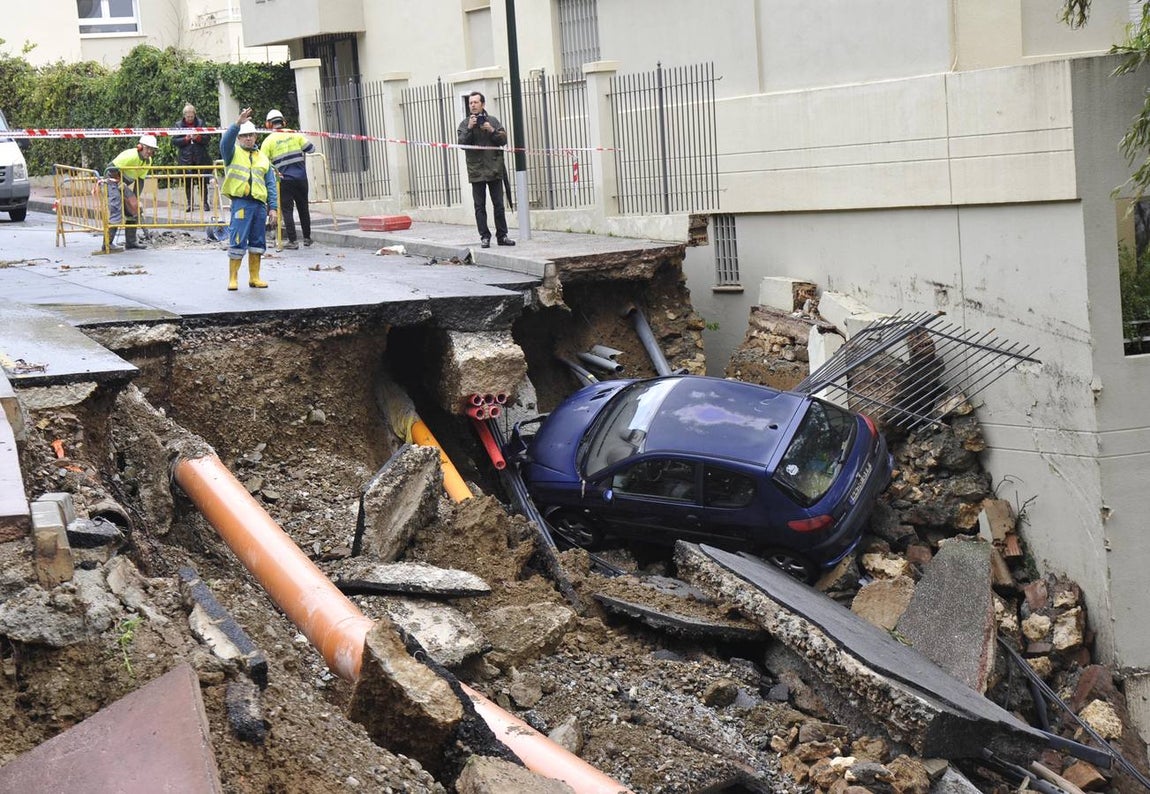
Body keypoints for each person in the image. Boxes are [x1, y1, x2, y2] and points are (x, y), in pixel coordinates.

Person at [221, 107, 278, 291]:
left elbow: (270, 184)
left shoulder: (263, 158)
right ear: (239, 138)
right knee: (237, 239)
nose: (248, 138)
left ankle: (255, 277)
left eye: (251, 135)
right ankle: (233, 278)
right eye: (244, 135)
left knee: (258, 241)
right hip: (241, 203)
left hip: (259, 206)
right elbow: (225, 142)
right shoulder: (232, 153)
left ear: (255, 137)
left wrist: (273, 208)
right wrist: (237, 124)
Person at [457, 91, 514, 248]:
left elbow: (503, 140)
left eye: (476, 102)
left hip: (494, 169)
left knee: (499, 205)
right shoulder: (464, 124)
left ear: (483, 104)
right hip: (476, 171)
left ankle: (502, 236)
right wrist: (469, 128)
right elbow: (461, 144)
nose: (473, 105)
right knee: (479, 206)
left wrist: (491, 130)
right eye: (470, 103)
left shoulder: (493, 121)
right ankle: (484, 236)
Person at [260, 109, 316, 250]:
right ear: (283, 122)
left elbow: (261, 163)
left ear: (268, 124)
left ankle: (293, 241)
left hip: (284, 180)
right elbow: (311, 149)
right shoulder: (294, 134)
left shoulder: (268, 141)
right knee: (304, 208)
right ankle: (307, 238)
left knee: (287, 210)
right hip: (301, 178)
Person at [109, 134, 157, 250]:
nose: (149, 152)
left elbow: (140, 180)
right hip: (112, 180)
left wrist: (135, 199)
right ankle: (107, 243)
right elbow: (111, 168)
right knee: (116, 210)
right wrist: (119, 181)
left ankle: (131, 242)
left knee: (133, 210)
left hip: (124, 184)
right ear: (140, 147)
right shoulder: (130, 155)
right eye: (147, 148)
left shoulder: (147, 161)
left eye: (152, 149)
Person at [173, 103, 212, 213]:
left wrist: (198, 137)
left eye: (192, 116)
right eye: (188, 116)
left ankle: (204, 203)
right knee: (188, 182)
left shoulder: (200, 123)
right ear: (184, 115)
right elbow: (174, 141)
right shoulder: (178, 125)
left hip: (200, 157)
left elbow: (207, 139)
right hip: (186, 158)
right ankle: (190, 204)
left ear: (195, 114)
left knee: (202, 181)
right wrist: (186, 139)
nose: (190, 119)